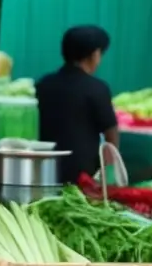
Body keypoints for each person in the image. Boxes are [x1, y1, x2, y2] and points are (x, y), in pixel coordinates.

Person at [36, 25, 119, 185]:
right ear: (95, 54)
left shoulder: (43, 84)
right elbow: (111, 131)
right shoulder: (97, 88)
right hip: (82, 175)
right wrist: (109, 170)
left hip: (45, 170)